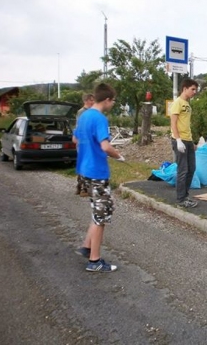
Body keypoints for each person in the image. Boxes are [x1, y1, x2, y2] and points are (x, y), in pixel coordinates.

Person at [73, 83, 123, 272]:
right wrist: (118, 155)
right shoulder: (100, 119)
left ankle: (87, 247)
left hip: (84, 170)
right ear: (108, 100)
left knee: (96, 209)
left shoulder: (84, 115)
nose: (113, 104)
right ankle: (95, 261)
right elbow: (105, 146)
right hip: (97, 172)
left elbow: (75, 140)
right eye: (113, 101)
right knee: (101, 216)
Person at [171, 79, 199, 208]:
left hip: (188, 140)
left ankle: (185, 195)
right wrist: (178, 140)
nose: (194, 92)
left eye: (195, 90)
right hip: (179, 140)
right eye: (192, 89)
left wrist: (191, 141)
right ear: (185, 88)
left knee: (191, 169)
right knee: (183, 170)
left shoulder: (188, 104)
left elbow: (186, 124)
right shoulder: (177, 103)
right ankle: (180, 200)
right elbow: (173, 123)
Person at [74, 93, 95, 196]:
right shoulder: (82, 112)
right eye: (91, 100)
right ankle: (83, 189)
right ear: (86, 101)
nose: (93, 102)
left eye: (93, 100)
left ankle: (79, 187)